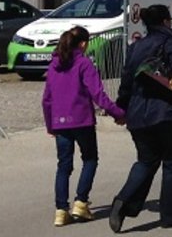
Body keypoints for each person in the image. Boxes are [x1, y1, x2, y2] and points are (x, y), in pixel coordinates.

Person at [110, 4, 172, 231]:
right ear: (165, 21)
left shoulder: (136, 47)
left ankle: (123, 201)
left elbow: (126, 81)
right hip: (171, 113)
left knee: (145, 161)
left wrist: (122, 109)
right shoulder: (171, 42)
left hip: (139, 114)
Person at [43, 26, 125, 227]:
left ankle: (61, 210)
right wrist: (118, 113)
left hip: (60, 122)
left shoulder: (54, 65)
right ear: (82, 44)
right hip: (82, 120)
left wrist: (50, 124)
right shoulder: (84, 63)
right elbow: (98, 94)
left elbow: (46, 99)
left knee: (63, 165)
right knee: (90, 159)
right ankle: (81, 201)